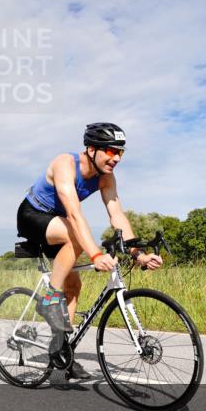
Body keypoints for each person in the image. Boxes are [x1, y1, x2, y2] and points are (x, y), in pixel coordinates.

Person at [17, 122, 163, 380]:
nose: (116, 158)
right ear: (91, 149)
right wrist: (95, 254)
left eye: (121, 152)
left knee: (73, 287)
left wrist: (138, 254)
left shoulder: (106, 177)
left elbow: (117, 214)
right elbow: (74, 214)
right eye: (111, 151)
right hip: (33, 215)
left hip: (60, 224)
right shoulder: (65, 164)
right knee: (76, 237)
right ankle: (50, 299)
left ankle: (61, 349)